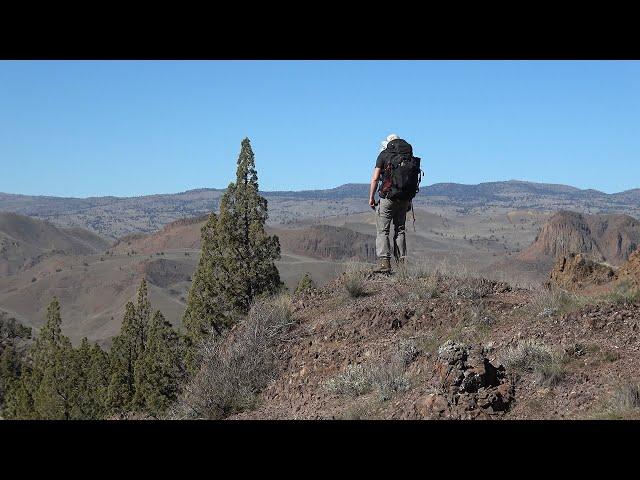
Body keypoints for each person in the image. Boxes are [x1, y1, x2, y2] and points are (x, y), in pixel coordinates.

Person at [368, 134, 421, 273]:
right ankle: (401, 265)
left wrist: (371, 197)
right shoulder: (408, 157)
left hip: (388, 198)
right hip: (404, 199)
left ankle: (384, 263)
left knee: (383, 230)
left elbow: (375, 178)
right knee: (400, 230)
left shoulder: (384, 155)